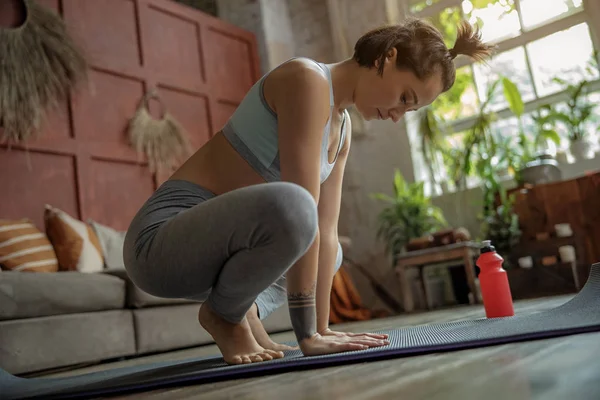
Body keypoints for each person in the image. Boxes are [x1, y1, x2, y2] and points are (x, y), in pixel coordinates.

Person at [122, 17, 494, 365]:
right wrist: (307, 336)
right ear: (387, 57)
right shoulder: (307, 79)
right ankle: (224, 315)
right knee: (298, 206)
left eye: (408, 111)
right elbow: (305, 211)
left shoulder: (342, 127)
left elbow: (326, 232)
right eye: (404, 97)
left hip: (211, 254)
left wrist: (322, 329)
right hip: (159, 245)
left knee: (328, 254)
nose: (397, 115)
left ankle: (242, 309)